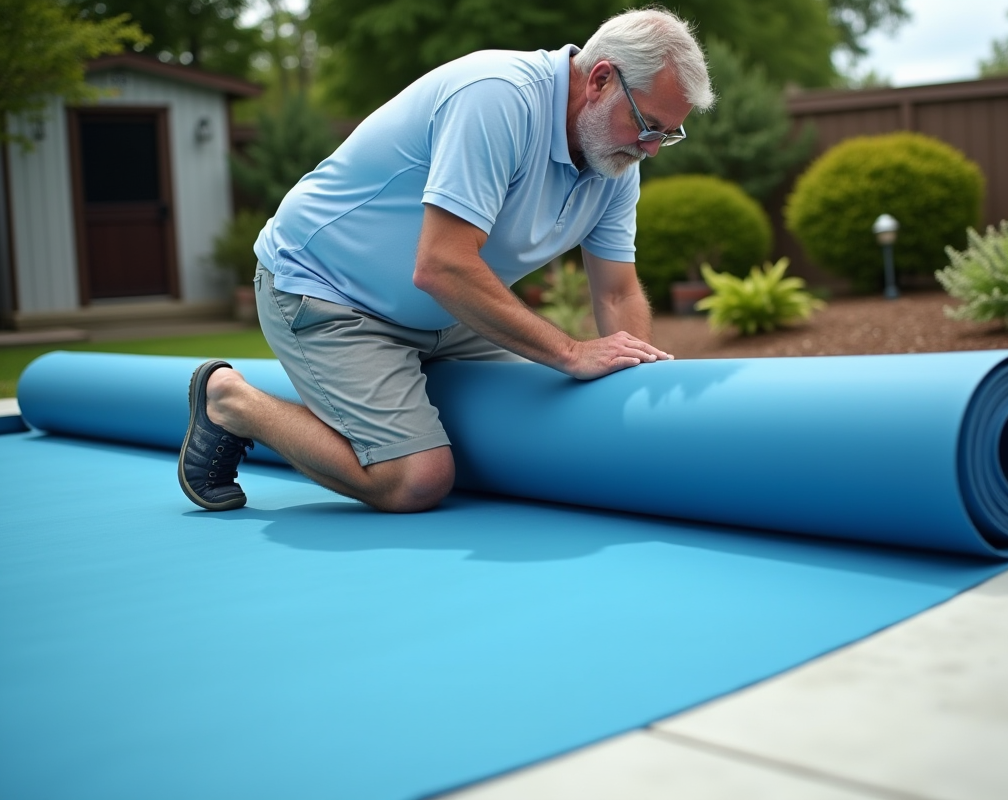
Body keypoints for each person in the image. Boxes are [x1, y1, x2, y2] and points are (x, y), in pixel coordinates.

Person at [177, 7, 714, 514]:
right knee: (417, 479)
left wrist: (642, 395)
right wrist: (571, 352)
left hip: (448, 313)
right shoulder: (498, 98)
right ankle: (233, 401)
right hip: (327, 292)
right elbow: (441, 265)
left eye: (669, 132)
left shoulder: (615, 162)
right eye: (648, 124)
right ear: (599, 80)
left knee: (547, 424)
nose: (653, 149)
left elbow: (617, 293)